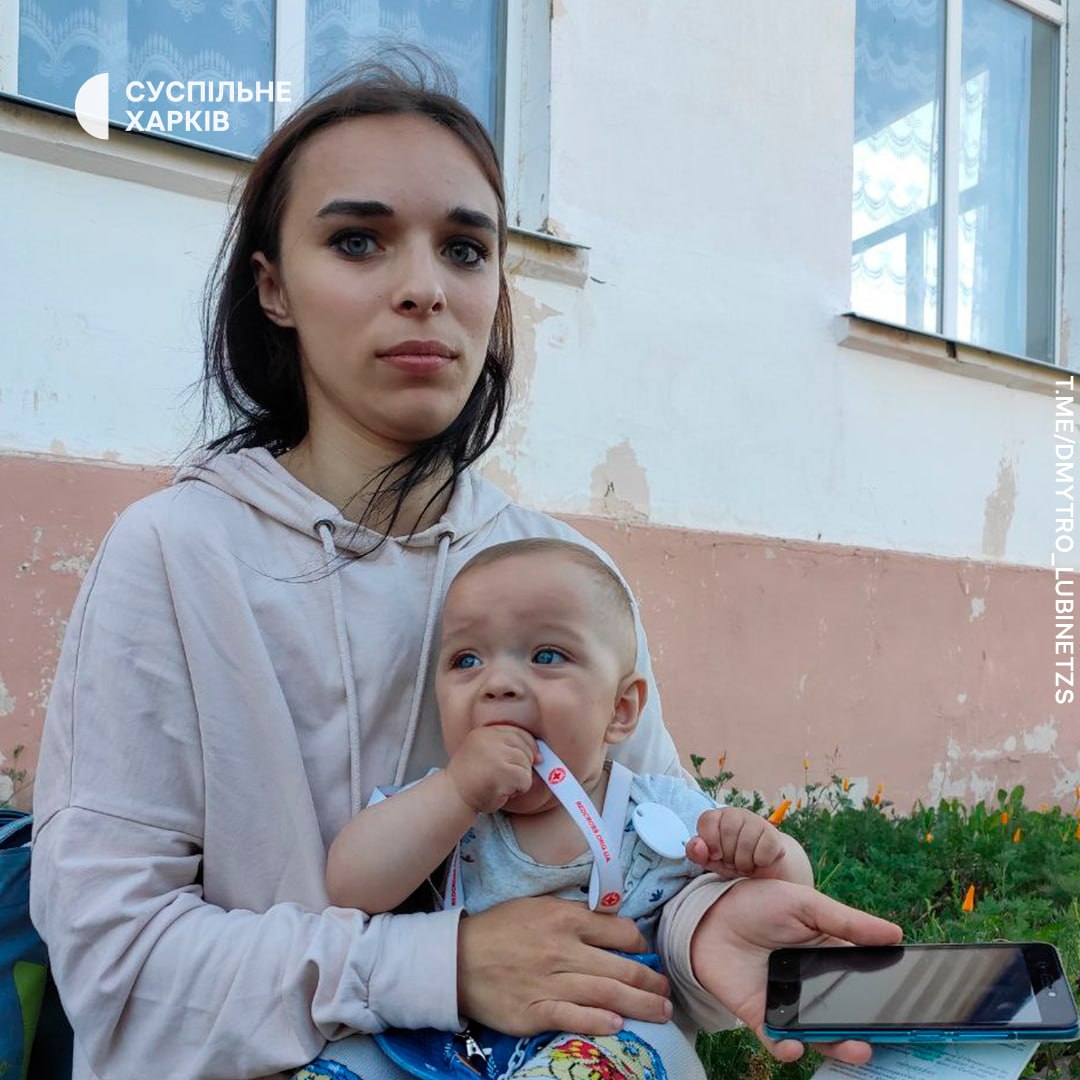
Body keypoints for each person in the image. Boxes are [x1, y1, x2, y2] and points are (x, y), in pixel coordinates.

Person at [30, 57, 902, 1080]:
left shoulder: (563, 573)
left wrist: (710, 932)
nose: (422, 289)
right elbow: (117, 966)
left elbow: (634, 864)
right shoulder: (175, 558)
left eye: (464, 249)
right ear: (272, 288)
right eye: (357, 240)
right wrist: (437, 964)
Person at [300, 536, 814, 1080]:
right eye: (465, 660)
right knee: (341, 1066)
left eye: (547, 656)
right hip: (443, 1030)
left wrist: (771, 857)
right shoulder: (440, 804)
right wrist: (455, 794)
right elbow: (350, 885)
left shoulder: (658, 808)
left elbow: (775, 903)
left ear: (619, 710)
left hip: (605, 1027)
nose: (497, 683)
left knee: (641, 1058)